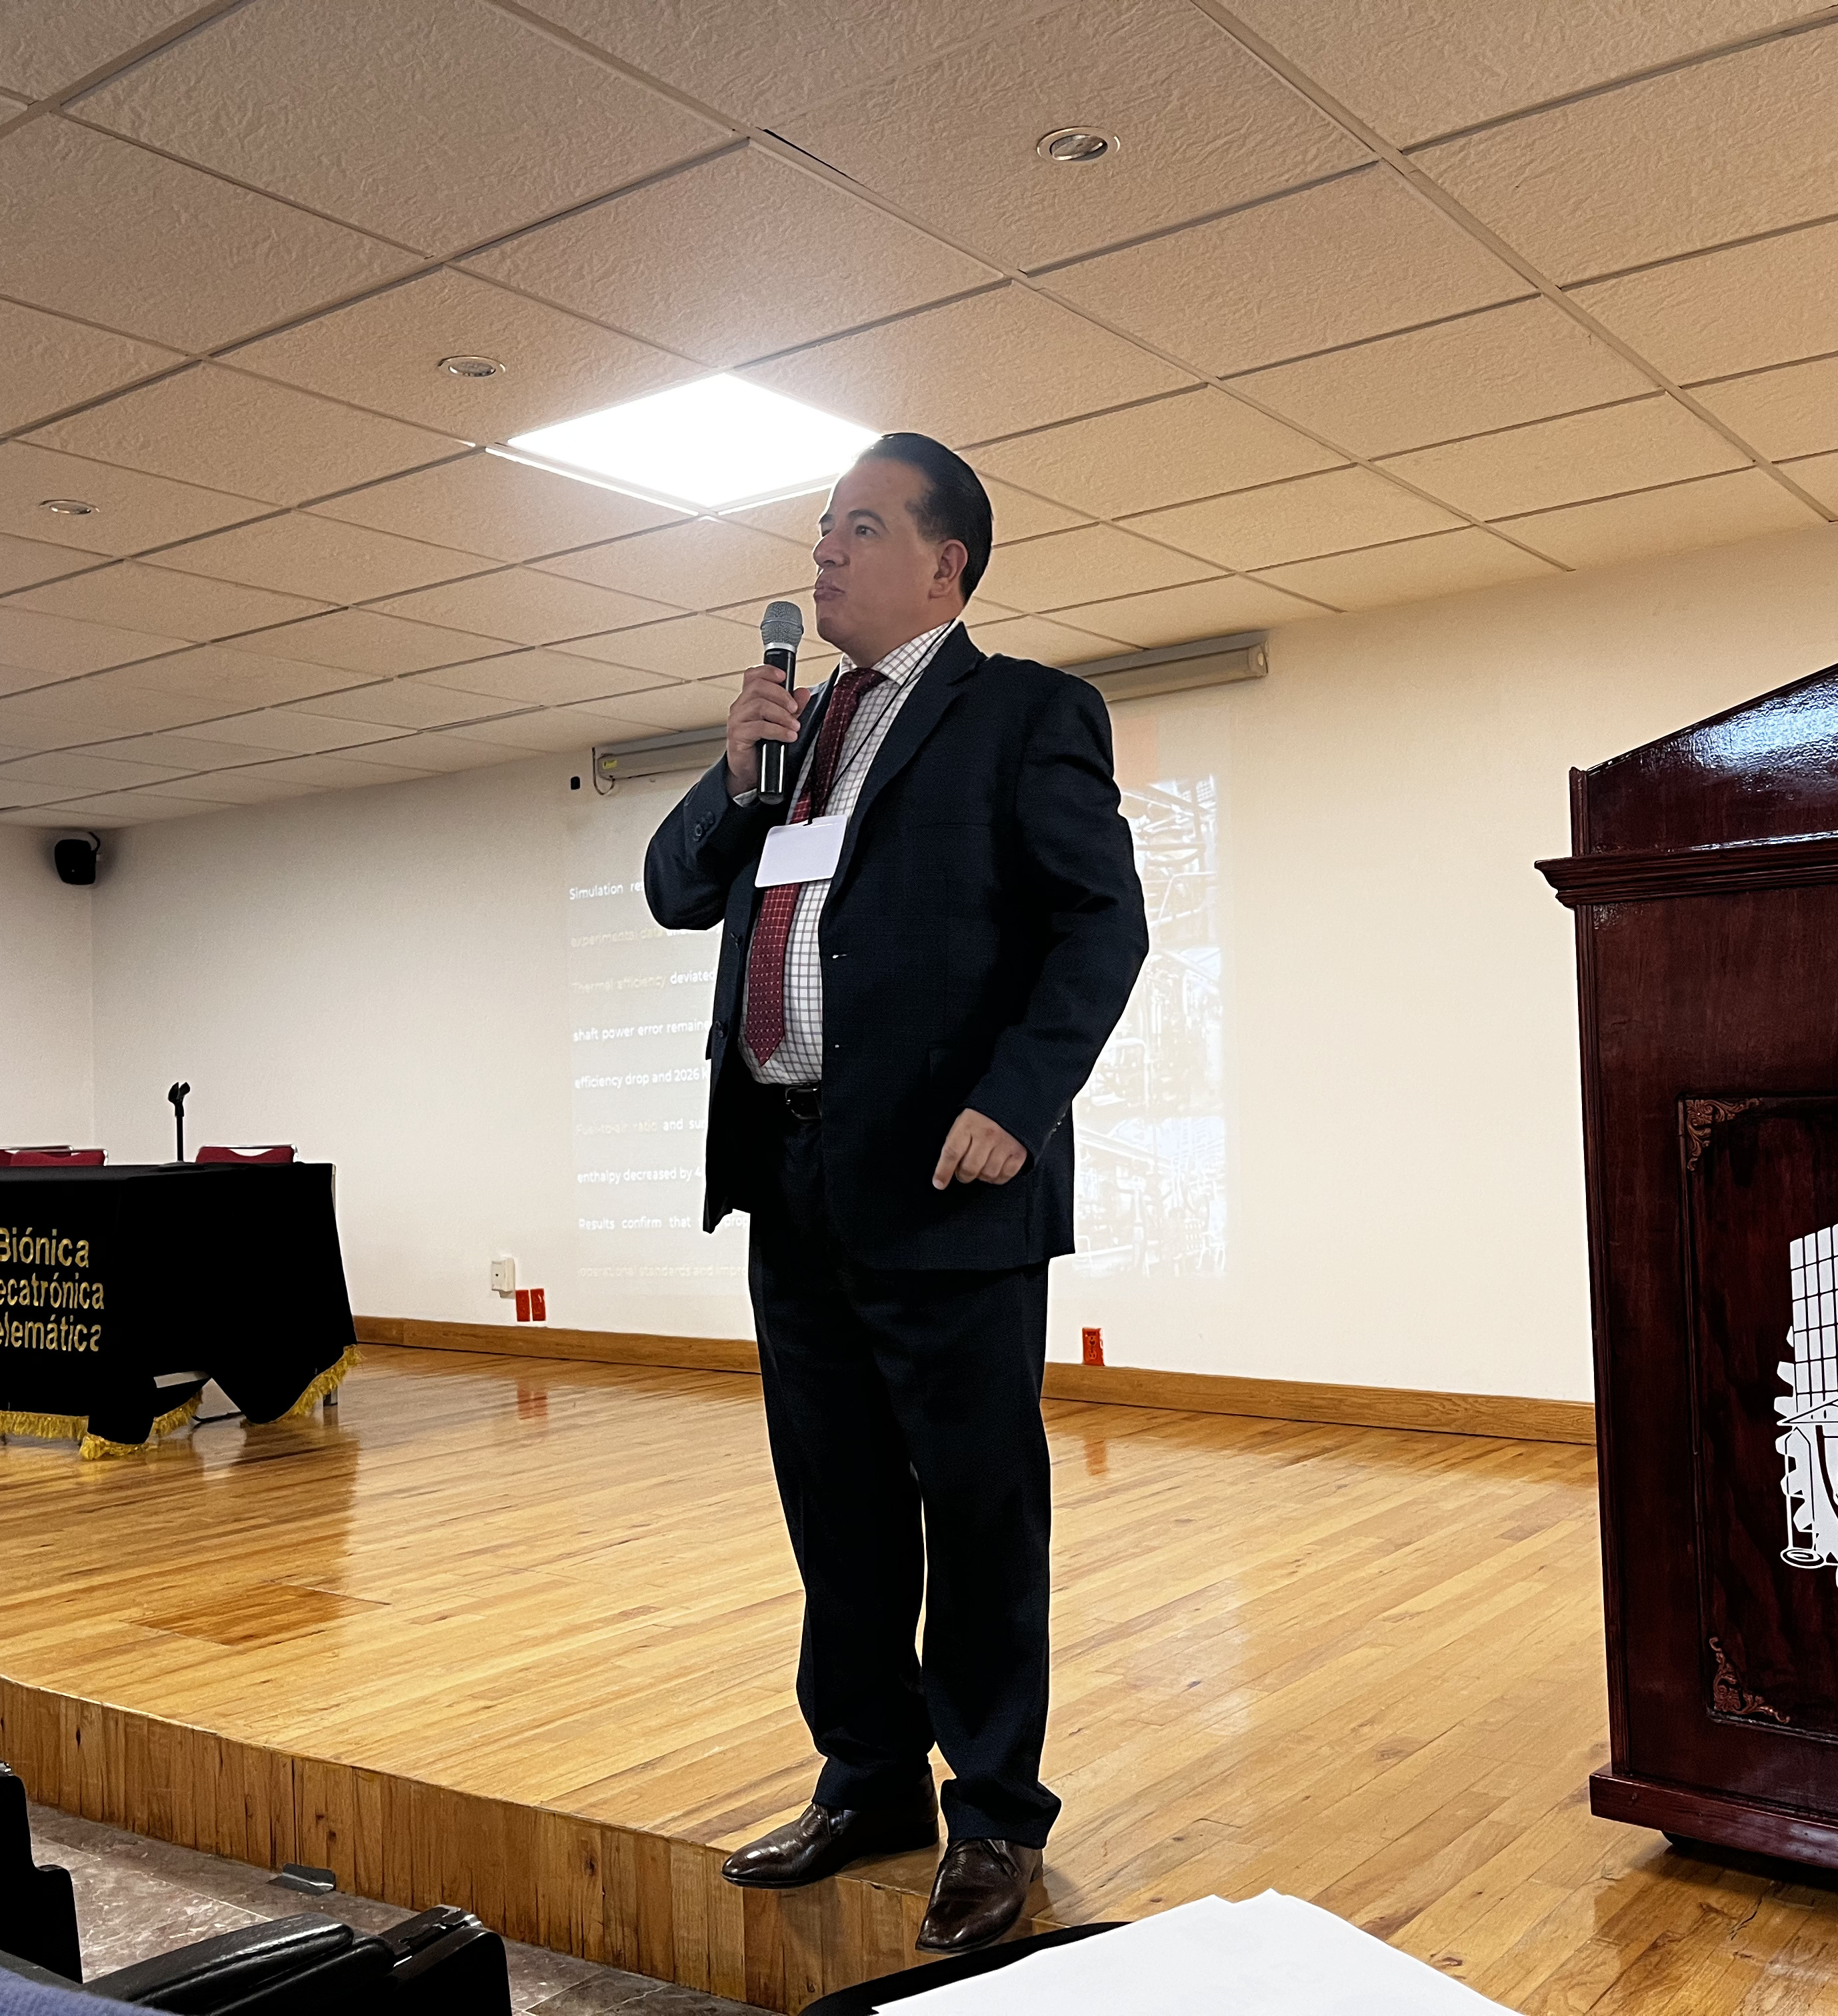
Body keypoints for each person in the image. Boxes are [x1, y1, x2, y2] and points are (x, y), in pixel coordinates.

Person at [643, 432, 1147, 1953]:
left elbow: (1101, 926)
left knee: (978, 1514)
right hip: (790, 1172)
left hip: (946, 1179)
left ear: (946, 563)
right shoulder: (795, 733)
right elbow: (676, 891)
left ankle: (993, 1815)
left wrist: (1016, 1100)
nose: (823, 552)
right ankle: (868, 1782)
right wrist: (733, 774)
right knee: (838, 1507)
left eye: (859, 528)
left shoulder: (1026, 713)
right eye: (820, 529)